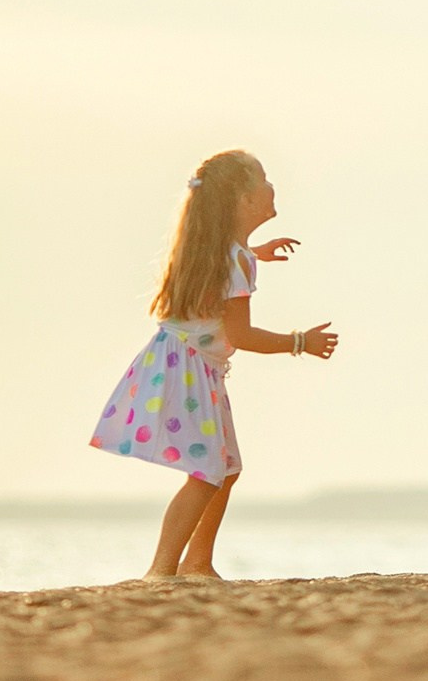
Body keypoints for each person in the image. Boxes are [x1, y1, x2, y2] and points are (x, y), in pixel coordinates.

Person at [90, 149, 339, 580]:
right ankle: (162, 569)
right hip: (187, 371)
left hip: (185, 365)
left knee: (224, 469)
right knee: (207, 472)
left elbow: (229, 265)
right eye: (264, 179)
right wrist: (301, 342)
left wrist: (255, 252)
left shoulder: (228, 253)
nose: (272, 187)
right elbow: (240, 335)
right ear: (243, 199)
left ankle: (198, 563)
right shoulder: (234, 261)